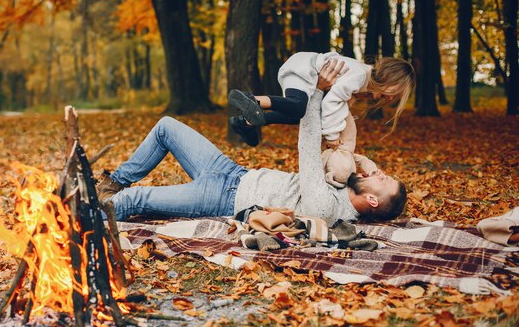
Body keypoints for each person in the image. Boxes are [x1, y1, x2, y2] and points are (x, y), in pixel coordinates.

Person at [96, 75, 407, 225]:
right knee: (166, 126)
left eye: (382, 179)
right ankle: (110, 184)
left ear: (371, 200)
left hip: (221, 197)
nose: (378, 173)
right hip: (232, 172)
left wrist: (317, 92)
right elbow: (343, 141)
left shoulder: (328, 208)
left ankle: (80, 216)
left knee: (134, 201)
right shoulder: (347, 179)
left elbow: (309, 146)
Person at [229, 53, 415, 147]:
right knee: (299, 107)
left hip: (304, 74)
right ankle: (251, 100)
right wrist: (332, 136)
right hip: (303, 70)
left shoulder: (361, 81)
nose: (391, 98)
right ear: (389, 76)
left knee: (295, 115)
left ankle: (246, 122)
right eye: (394, 91)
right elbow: (331, 103)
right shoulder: (359, 75)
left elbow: (338, 105)